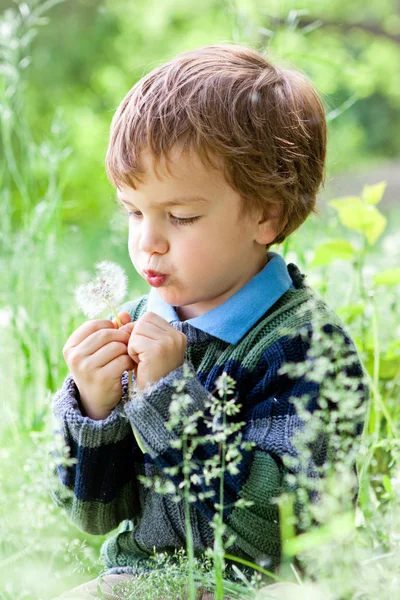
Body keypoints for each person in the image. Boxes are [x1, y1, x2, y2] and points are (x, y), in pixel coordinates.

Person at [50, 43, 370, 599]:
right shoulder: (140, 324)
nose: (147, 240)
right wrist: (95, 409)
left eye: (180, 216)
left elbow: (276, 528)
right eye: (133, 211)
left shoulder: (304, 345)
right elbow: (95, 515)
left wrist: (171, 399)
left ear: (265, 214)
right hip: (139, 579)